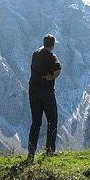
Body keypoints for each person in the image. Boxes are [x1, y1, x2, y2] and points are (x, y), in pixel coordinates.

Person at [27, 34, 61, 162]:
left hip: (33, 91)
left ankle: (31, 152)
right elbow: (58, 70)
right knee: (52, 121)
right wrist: (51, 77)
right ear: (53, 45)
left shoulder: (35, 53)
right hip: (46, 92)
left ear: (43, 42)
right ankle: (50, 151)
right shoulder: (52, 56)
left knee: (36, 123)